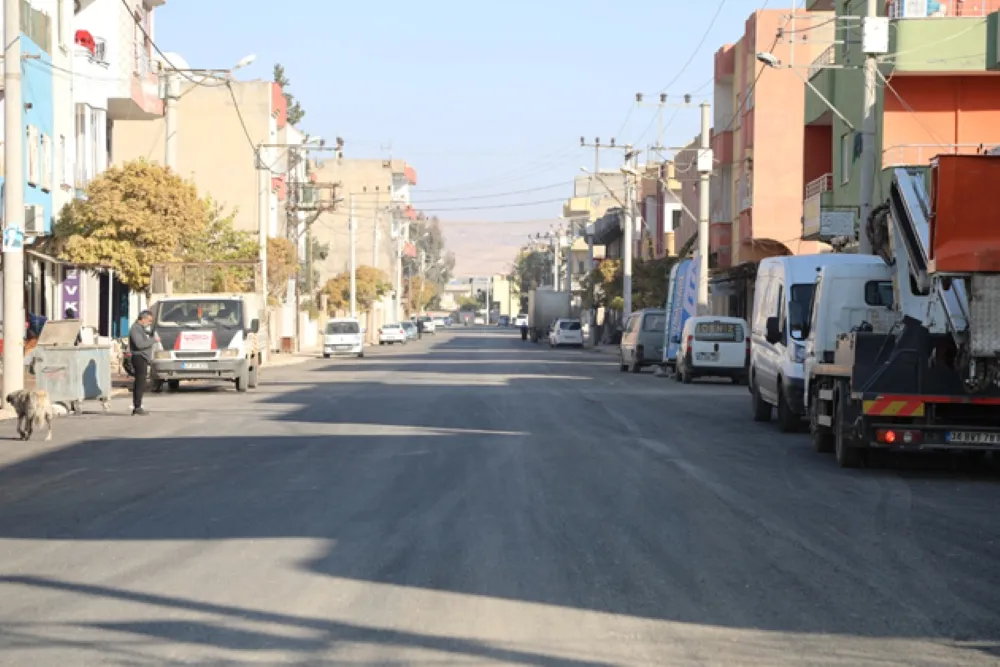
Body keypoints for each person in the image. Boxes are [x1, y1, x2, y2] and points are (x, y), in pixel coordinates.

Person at [129, 310, 157, 416]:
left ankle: (138, 406)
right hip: (139, 358)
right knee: (140, 383)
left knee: (141, 383)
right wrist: (153, 340)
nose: (150, 323)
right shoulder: (135, 328)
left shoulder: (140, 329)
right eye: (149, 320)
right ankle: (137, 407)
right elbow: (140, 344)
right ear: (143, 319)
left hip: (143, 358)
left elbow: (146, 335)